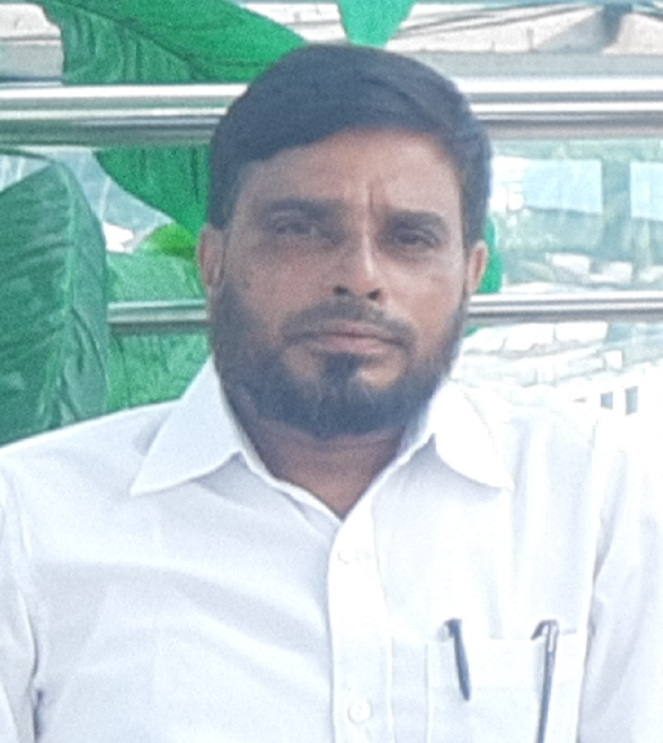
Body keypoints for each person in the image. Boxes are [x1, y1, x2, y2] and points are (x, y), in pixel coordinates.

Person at [0, 44, 661, 743]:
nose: (360, 275)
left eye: (410, 237)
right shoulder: (31, 521)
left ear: (470, 275)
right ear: (212, 260)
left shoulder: (593, 496)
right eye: (301, 230)